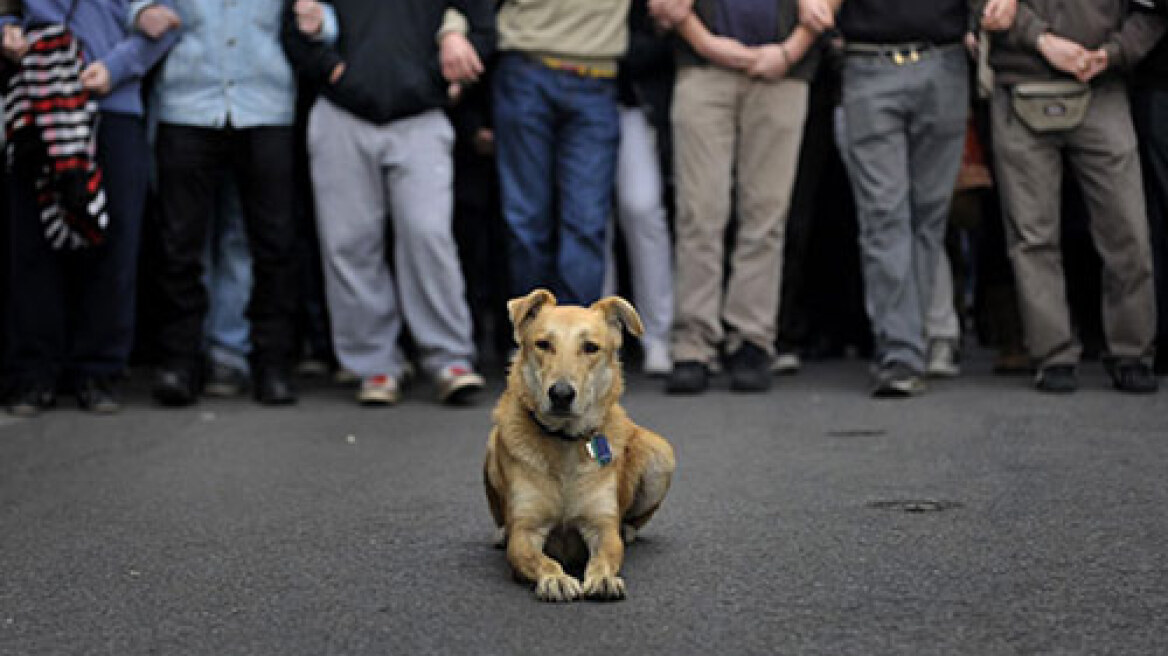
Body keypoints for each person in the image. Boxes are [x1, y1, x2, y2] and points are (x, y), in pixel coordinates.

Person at [798, 0, 1017, 397]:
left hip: (944, 63)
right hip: (868, 64)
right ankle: (901, 351)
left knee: (929, 217)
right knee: (885, 215)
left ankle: (911, 338)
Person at [282, 0, 494, 406]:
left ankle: (450, 358)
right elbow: (294, 24)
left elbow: (484, 26)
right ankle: (373, 363)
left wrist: (445, 78)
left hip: (421, 114)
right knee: (349, 243)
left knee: (428, 233)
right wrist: (331, 69)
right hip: (341, 111)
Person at [2, 0, 178, 416]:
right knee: (32, 241)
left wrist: (116, 68)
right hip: (38, 99)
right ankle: (33, 372)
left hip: (113, 104)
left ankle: (99, 370)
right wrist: (7, 27)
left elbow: (167, 23)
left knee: (113, 240)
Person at [988, 0, 1165, 393]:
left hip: (1102, 81)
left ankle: (1132, 351)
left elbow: (1154, 11)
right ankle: (1052, 354)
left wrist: (1113, 54)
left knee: (1128, 230)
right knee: (1033, 235)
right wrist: (1042, 40)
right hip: (1023, 80)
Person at [652, 0, 818, 395]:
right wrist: (707, 44)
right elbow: (665, 6)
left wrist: (790, 50)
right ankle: (693, 343)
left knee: (767, 213)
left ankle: (752, 339)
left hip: (783, 69)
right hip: (703, 68)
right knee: (700, 211)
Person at [150, 0, 300, 407]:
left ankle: (270, 363)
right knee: (179, 243)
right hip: (188, 102)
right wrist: (141, 11)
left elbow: (320, 16)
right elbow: (137, 7)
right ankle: (180, 362)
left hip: (265, 104)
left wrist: (322, 22)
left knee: (273, 244)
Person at [493, 0, 630, 306]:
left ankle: (575, 346)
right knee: (525, 223)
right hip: (526, 66)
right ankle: (534, 342)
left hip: (597, 73)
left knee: (586, 224)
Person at [607, 0, 677, 376]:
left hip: (635, 101)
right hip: (582, 88)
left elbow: (661, 34)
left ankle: (657, 335)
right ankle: (600, 337)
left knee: (643, 208)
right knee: (589, 219)